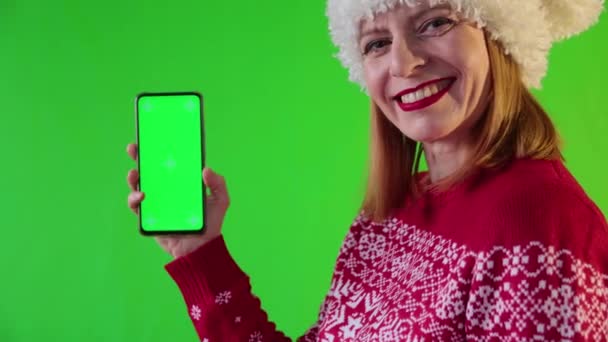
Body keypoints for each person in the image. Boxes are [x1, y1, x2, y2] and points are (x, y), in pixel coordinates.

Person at [126, 0, 608, 340]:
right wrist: (200, 253)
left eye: (435, 21)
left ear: (499, 37)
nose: (405, 62)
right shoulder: (392, 209)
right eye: (377, 43)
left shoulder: (540, 225)